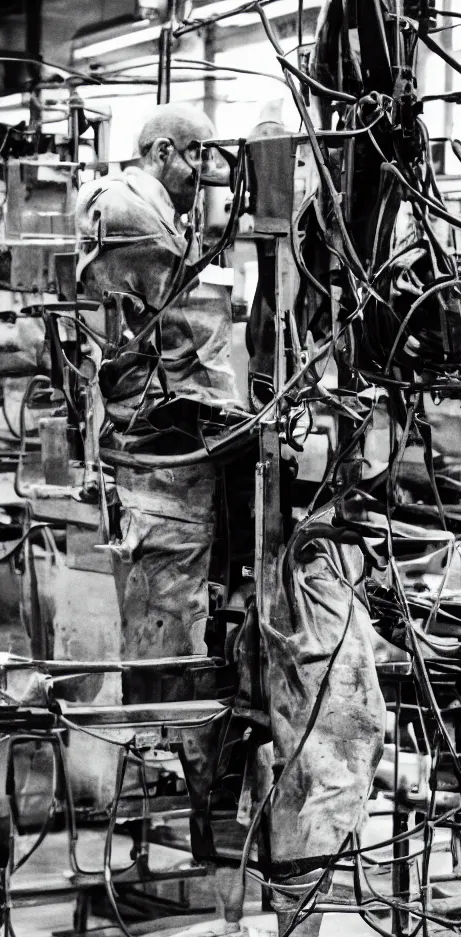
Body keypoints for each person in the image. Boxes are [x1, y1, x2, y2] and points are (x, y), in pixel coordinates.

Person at [75, 102, 238, 704]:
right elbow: (184, 320)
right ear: (162, 151)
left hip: (159, 440)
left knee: (174, 605)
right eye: (197, 157)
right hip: (151, 445)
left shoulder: (162, 214)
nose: (205, 175)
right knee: (166, 614)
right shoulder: (124, 207)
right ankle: (159, 736)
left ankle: (165, 727)